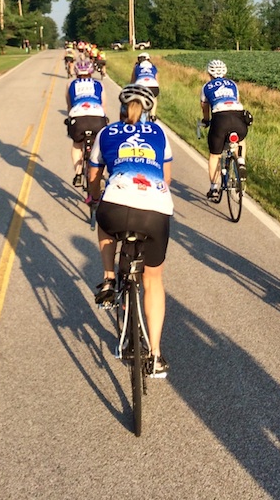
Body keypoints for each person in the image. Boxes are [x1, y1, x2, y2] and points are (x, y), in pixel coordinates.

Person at [88, 84, 173, 377]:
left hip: (116, 206)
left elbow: (94, 175)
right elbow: (167, 177)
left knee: (102, 219)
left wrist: (93, 196)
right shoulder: (160, 134)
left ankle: (109, 278)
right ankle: (156, 356)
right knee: (153, 281)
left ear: (121, 109)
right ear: (149, 110)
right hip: (155, 210)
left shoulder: (106, 133)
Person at [200, 59, 249, 201]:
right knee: (240, 141)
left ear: (209, 73)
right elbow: (237, 100)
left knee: (215, 155)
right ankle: (240, 161)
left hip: (220, 119)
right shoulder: (232, 84)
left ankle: (214, 188)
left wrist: (206, 120)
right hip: (238, 117)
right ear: (225, 72)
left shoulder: (206, 87)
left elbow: (204, 106)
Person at [66, 61, 108, 187]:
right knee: (100, 145)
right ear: (91, 72)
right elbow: (103, 104)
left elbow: (69, 105)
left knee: (77, 145)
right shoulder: (98, 84)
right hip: (97, 116)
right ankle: (102, 174)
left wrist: (70, 118)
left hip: (78, 117)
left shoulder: (71, 84)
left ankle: (78, 174)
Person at [130, 52, 159, 119]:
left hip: (141, 86)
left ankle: (139, 114)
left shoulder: (137, 67)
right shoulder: (153, 67)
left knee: (138, 99)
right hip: (153, 86)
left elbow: (133, 81)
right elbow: (157, 80)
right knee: (154, 97)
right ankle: (153, 115)